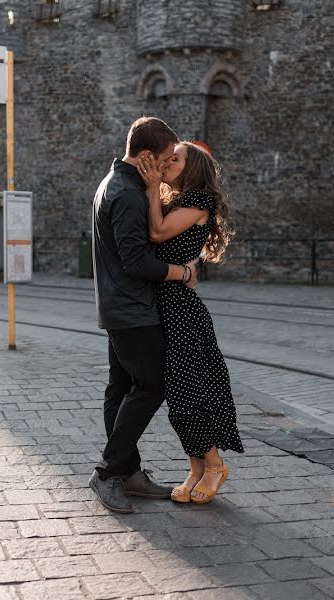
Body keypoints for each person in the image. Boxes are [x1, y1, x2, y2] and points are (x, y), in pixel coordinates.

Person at [89, 116, 200, 514]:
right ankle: (109, 472)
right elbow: (136, 261)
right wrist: (183, 271)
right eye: (169, 157)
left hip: (117, 306)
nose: (172, 165)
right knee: (153, 385)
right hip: (133, 309)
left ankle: (129, 472)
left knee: (119, 391)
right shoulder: (129, 194)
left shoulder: (112, 183)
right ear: (147, 156)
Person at [137, 141, 243, 504]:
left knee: (186, 393)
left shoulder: (199, 202)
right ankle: (196, 469)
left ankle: (214, 465)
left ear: (192, 167)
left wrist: (152, 189)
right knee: (178, 394)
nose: (167, 163)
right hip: (163, 305)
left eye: (175, 159)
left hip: (181, 309)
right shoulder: (175, 199)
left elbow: (158, 233)